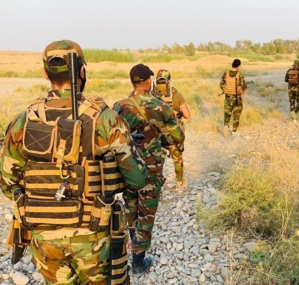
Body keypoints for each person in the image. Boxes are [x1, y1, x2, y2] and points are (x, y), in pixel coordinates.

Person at [0, 40, 147, 285]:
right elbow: (138, 179)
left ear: (45, 73)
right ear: (82, 71)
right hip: (94, 236)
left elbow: (7, 184)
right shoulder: (105, 119)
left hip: (44, 238)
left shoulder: (23, 121)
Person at [113, 64, 185, 276]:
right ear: (147, 81)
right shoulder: (161, 107)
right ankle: (138, 261)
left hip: (126, 169)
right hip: (151, 171)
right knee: (147, 214)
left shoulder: (118, 107)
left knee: (131, 207)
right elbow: (178, 136)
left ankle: (132, 244)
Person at [153, 69, 191, 191]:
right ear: (169, 79)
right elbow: (187, 115)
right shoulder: (176, 95)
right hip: (173, 134)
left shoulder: (150, 95)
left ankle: (156, 187)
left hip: (157, 134)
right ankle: (179, 183)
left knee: (158, 160)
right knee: (177, 158)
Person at [219, 59, 247, 137]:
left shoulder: (225, 74)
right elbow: (244, 86)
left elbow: (221, 84)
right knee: (236, 115)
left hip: (228, 98)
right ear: (238, 66)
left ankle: (226, 126)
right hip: (237, 99)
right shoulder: (239, 75)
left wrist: (226, 90)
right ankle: (234, 131)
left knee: (227, 114)